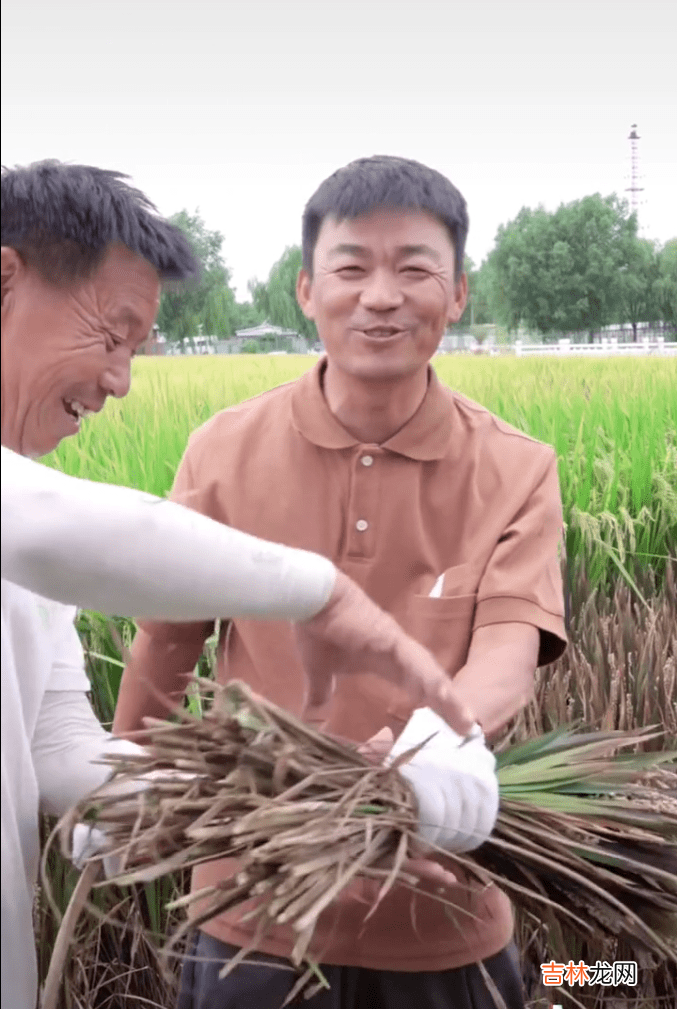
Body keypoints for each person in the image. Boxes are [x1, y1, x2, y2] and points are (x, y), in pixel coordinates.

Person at [0, 159, 477, 1009]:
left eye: (136, 351)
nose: (119, 382)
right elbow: (65, 526)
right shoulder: (38, 516)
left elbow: (56, 743)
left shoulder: (38, 543)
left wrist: (292, 800)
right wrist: (320, 592)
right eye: (111, 336)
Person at [113, 155, 569, 1009]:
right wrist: (120, 778)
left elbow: (507, 654)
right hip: (254, 907)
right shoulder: (223, 448)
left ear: (459, 293)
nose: (381, 295)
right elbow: (167, 639)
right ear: (305, 290)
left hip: (444, 916)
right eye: (352, 267)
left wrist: (430, 750)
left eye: (414, 269)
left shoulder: (515, 467)